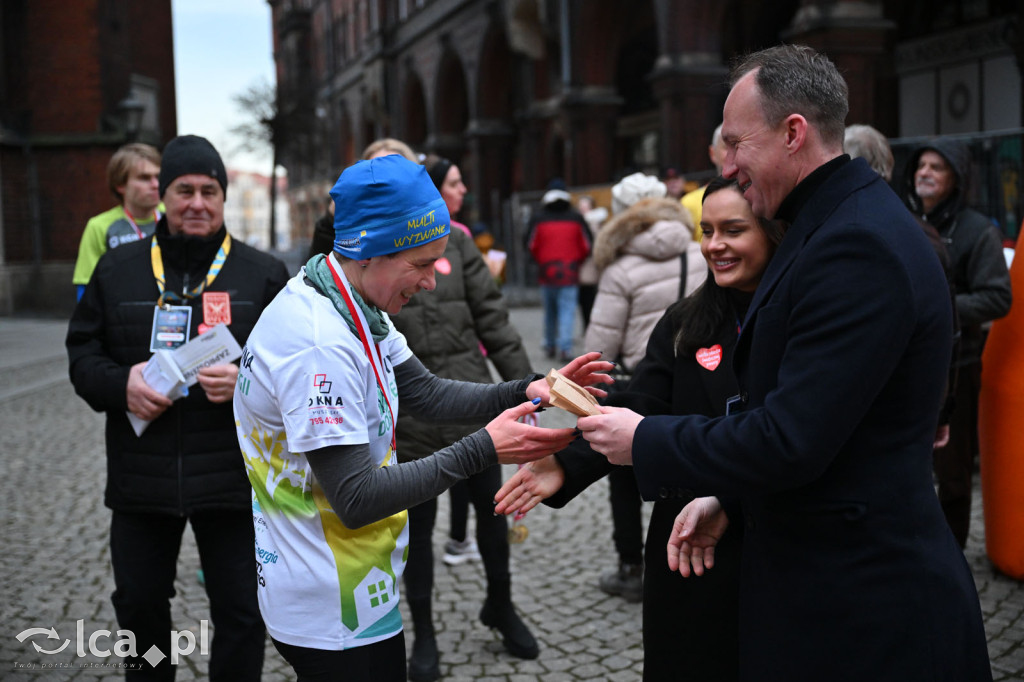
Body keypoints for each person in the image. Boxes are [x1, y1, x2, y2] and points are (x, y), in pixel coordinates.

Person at [577, 44, 992, 680]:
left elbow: (792, 437)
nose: (728, 164)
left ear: (793, 132)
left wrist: (645, 437)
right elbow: (832, 430)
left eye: (737, 143)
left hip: (865, 610)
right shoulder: (830, 225)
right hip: (825, 590)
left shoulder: (854, 243)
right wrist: (734, 504)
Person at [233, 154, 611, 682]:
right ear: (368, 250)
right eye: (420, 264)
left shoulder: (352, 299)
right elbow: (357, 498)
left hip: (362, 580)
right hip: (327, 598)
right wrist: (484, 448)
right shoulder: (318, 343)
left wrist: (529, 390)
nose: (432, 281)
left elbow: (426, 393)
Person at [497, 176, 785, 680]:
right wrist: (566, 463)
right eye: (707, 229)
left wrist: (730, 500)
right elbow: (643, 406)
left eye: (733, 230)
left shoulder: (797, 318)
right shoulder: (686, 320)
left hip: (772, 536)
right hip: (686, 545)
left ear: (772, 231)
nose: (714, 245)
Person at [67, 134, 290, 680]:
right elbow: (82, 355)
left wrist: (247, 383)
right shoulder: (117, 269)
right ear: (162, 195)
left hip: (234, 481)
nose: (196, 203)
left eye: (209, 191)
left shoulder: (262, 274)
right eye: (183, 190)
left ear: (223, 196)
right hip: (141, 480)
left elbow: (296, 372)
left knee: (240, 613)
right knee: (141, 608)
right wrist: (120, 385)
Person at [379, 146, 539, 679]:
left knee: (493, 518)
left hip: (471, 402)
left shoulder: (459, 242)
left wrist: (530, 390)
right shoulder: (377, 250)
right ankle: (423, 634)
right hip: (411, 417)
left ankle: (500, 605)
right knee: (419, 533)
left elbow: (492, 317)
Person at [583, 171, 704, 602]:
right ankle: (686, 554)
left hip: (635, 381)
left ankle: (632, 567)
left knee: (622, 479)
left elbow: (600, 344)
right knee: (688, 469)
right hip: (692, 379)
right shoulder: (700, 251)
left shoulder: (619, 265)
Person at [903, 137, 1012, 548]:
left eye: (937, 167)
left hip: (959, 368)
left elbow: (997, 297)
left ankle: (952, 554)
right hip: (909, 366)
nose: (925, 173)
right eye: (921, 166)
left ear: (957, 178)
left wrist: (937, 309)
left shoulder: (977, 231)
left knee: (952, 472)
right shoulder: (904, 219)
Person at [72, 143, 163, 301]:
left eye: (158, 177)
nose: (155, 185)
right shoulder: (99, 226)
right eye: (144, 178)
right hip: (122, 315)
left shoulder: (174, 217)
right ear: (120, 184)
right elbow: (86, 290)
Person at [525, 181, 592, 361]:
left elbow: (530, 244)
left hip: (547, 271)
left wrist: (539, 260)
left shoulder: (538, 218)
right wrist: (578, 260)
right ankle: (565, 347)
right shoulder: (576, 217)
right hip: (570, 271)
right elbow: (587, 245)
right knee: (567, 310)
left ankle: (549, 344)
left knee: (550, 311)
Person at [680, 123, 728, 234]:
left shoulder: (760, 199)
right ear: (712, 153)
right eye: (727, 146)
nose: (734, 153)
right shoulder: (688, 204)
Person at [574, 195, 608, 331]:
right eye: (581, 206)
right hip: (582, 267)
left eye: (585, 206)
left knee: (590, 299)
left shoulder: (595, 224)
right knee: (584, 300)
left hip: (591, 267)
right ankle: (587, 326)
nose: (582, 209)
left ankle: (590, 326)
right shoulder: (579, 223)